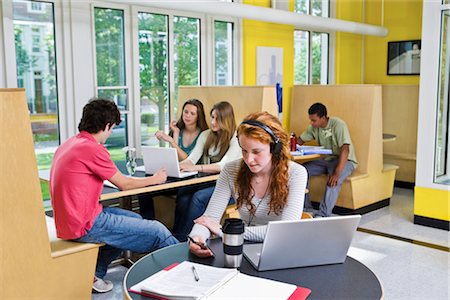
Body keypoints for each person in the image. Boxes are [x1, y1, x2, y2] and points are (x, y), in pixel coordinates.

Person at [49, 98, 178, 293]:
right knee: (158, 230)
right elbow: (125, 184)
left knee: (133, 218)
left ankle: (95, 274)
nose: (110, 134)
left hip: (68, 221)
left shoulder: (71, 143)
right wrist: (156, 179)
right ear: (107, 125)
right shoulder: (93, 148)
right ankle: (189, 271)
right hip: (84, 223)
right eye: (111, 129)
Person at [188, 112, 307, 257]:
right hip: (242, 248)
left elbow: (285, 231)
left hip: (280, 252)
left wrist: (225, 231)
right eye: (244, 150)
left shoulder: (296, 173)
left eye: (256, 151)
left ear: (275, 148)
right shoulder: (231, 170)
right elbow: (209, 218)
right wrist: (197, 238)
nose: (249, 159)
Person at [173, 101, 242, 241]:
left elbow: (223, 166)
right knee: (183, 194)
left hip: (230, 186)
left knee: (198, 197)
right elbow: (191, 159)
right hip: (210, 182)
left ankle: (185, 239)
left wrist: (196, 168)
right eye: (212, 117)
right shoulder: (206, 135)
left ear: (226, 120)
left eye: (217, 119)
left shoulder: (236, 138)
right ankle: (176, 237)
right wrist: (175, 166)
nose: (213, 122)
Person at [139, 99, 208, 219]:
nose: (187, 116)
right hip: (175, 174)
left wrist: (171, 140)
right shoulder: (178, 131)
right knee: (145, 190)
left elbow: (189, 160)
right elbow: (174, 155)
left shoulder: (203, 134)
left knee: (183, 196)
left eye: (192, 113)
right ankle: (148, 225)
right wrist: (175, 133)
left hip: (191, 177)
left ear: (199, 116)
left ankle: (177, 232)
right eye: (185, 112)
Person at [297, 102, 358, 217]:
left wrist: (336, 173)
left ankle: (323, 214)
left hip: (346, 161)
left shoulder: (338, 125)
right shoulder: (314, 127)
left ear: (323, 118)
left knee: (333, 180)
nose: (311, 123)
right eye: (310, 120)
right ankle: (306, 208)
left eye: (314, 120)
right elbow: (300, 140)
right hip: (328, 160)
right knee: (302, 171)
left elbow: (345, 150)